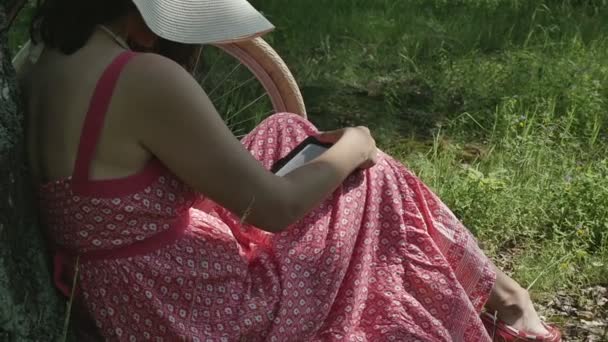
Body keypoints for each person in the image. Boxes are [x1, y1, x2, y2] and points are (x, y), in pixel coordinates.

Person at [20, 0, 562, 341]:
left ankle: (494, 295)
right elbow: (275, 210)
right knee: (371, 175)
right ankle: (508, 303)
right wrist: (355, 145)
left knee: (285, 129)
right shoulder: (143, 78)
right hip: (194, 309)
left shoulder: (45, 58)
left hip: (130, 287)